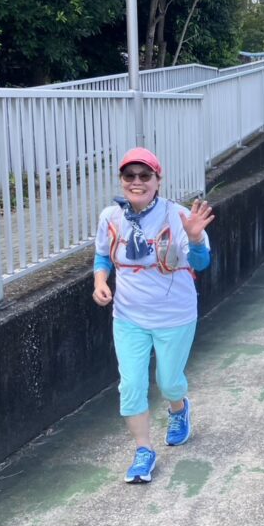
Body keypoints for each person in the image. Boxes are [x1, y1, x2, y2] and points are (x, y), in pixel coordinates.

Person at [92, 147, 214, 484]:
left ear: (158, 180)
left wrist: (195, 239)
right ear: (121, 180)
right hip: (128, 317)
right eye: (129, 175)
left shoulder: (178, 216)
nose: (137, 181)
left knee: (168, 382)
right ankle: (143, 450)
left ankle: (179, 409)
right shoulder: (111, 217)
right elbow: (102, 257)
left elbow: (201, 264)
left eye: (145, 175)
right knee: (131, 385)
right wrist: (100, 282)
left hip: (174, 315)